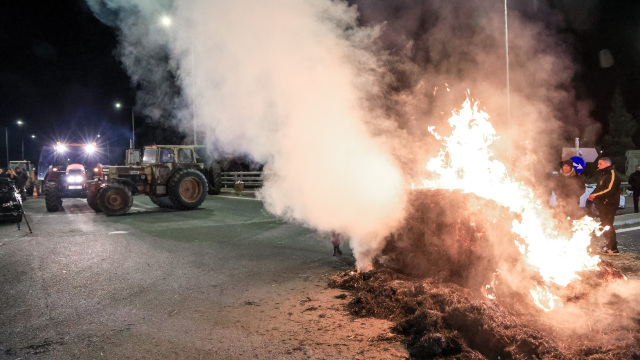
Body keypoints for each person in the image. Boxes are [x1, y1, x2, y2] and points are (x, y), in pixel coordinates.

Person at [588, 157, 621, 255]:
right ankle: (610, 245)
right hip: (602, 204)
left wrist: (595, 195)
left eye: (600, 164)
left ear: (607, 164)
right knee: (604, 224)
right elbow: (599, 188)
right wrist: (593, 195)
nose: (598, 165)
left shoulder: (612, 174)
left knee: (608, 225)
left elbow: (610, 189)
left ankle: (613, 248)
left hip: (610, 204)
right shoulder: (603, 174)